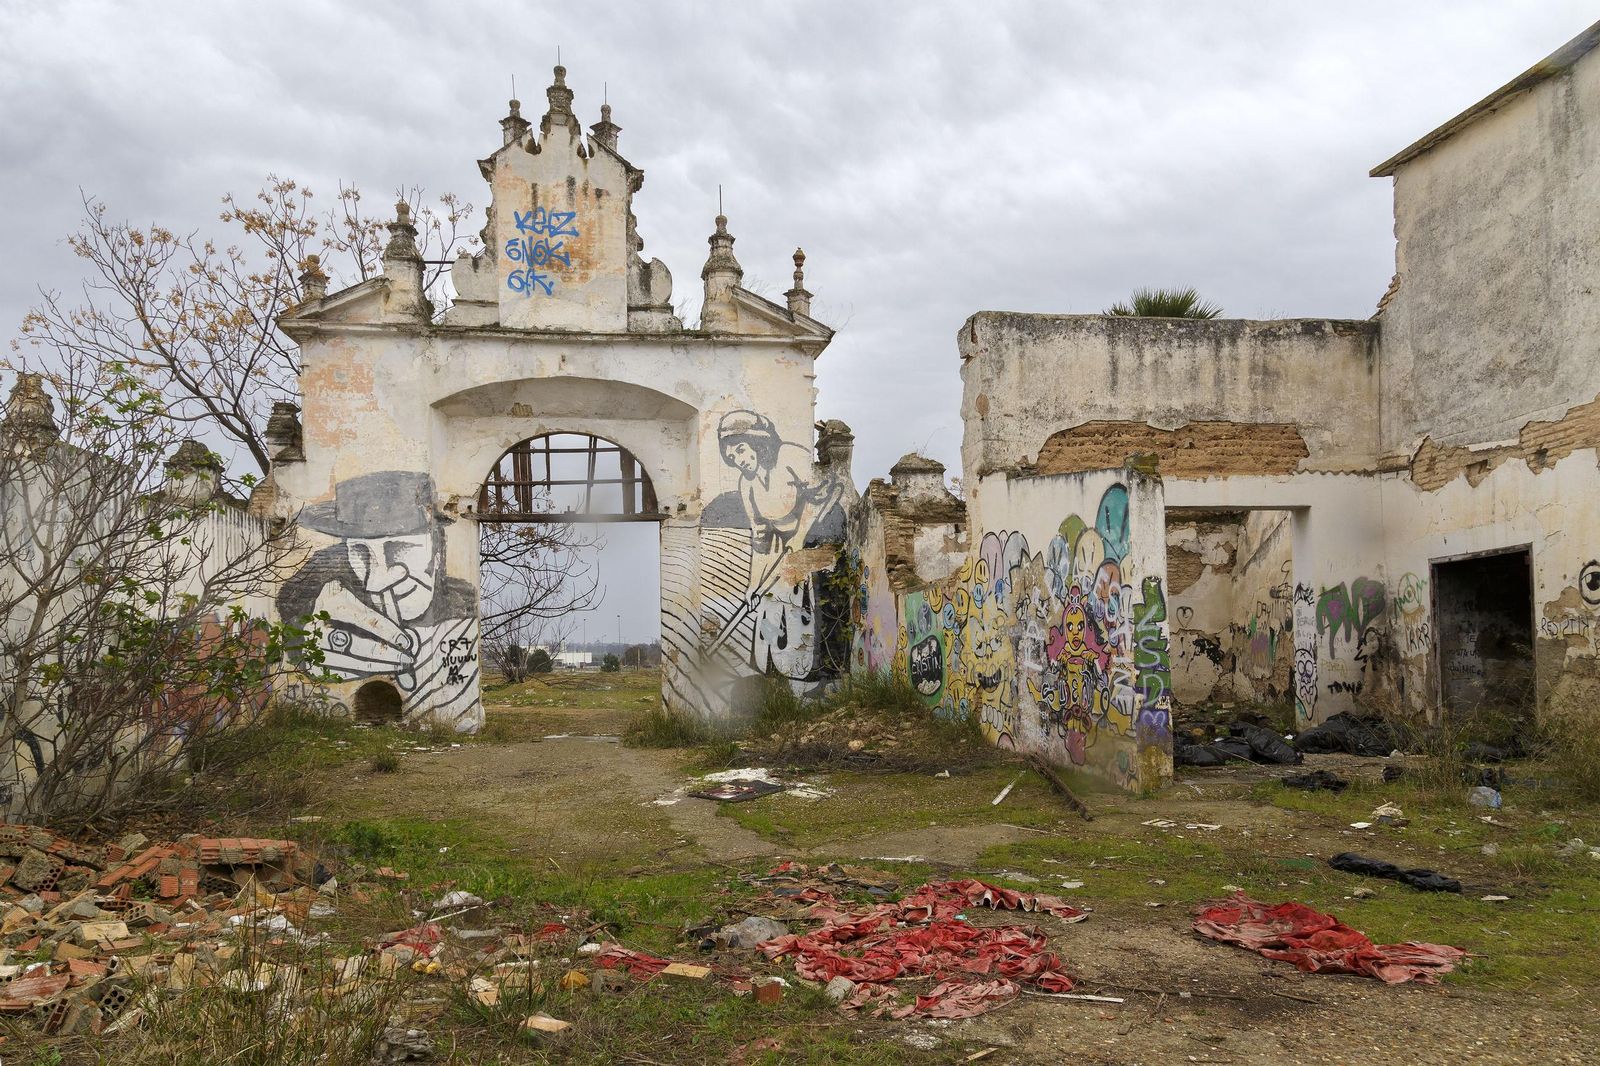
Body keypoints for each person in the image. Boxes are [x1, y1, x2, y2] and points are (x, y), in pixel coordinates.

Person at [277, 471, 478, 724]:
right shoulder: (325, 587)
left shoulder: (461, 611)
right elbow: (290, 601)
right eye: (361, 554)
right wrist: (300, 636)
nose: (378, 580)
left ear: (438, 555)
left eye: (400, 550)